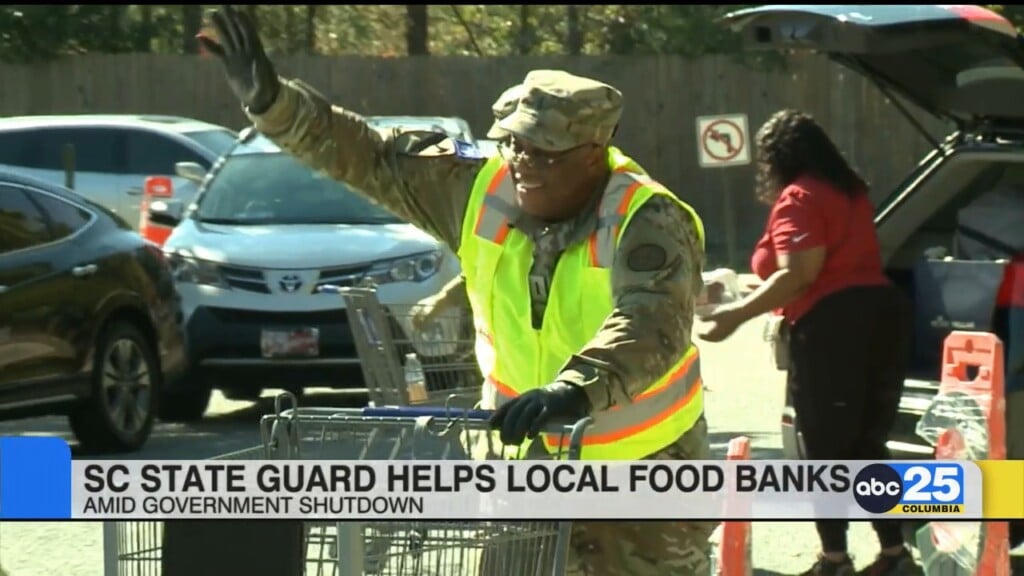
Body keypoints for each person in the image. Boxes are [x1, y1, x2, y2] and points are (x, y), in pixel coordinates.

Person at [199, 6, 714, 574]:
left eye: (545, 152)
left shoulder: (648, 218)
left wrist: (573, 390)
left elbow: (651, 323)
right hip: (526, 474)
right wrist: (272, 103)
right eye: (515, 144)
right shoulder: (475, 185)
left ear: (595, 155)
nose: (523, 163)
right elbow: (364, 153)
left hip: (643, 478)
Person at [698, 109, 919, 576]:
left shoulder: (799, 198)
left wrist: (734, 316)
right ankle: (895, 554)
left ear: (777, 158)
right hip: (881, 315)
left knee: (824, 450)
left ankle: (835, 559)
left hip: (833, 329)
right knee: (868, 443)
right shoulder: (849, 191)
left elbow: (800, 274)